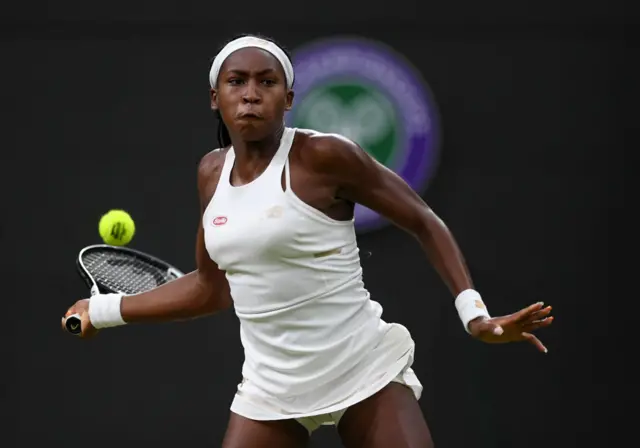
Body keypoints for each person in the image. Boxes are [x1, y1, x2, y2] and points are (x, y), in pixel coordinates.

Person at [61, 34, 554, 448]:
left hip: (363, 369)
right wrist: (104, 311)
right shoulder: (211, 174)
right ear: (216, 97)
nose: (251, 94)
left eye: (267, 82)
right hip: (271, 388)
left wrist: (475, 315)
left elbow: (423, 219)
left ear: (289, 98)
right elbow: (212, 288)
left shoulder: (325, 156)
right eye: (236, 82)